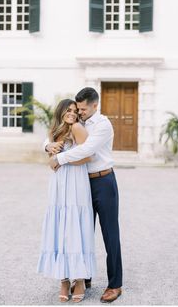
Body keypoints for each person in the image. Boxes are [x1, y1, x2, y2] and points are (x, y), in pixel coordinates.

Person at [46, 87, 123, 303]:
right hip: (81, 183)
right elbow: (54, 133)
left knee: (110, 234)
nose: (80, 112)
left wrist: (58, 159)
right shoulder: (77, 121)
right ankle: (83, 276)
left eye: (83, 109)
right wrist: (48, 147)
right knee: (80, 232)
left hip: (103, 181)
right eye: (78, 109)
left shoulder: (102, 124)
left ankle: (115, 284)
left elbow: (86, 150)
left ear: (94, 105)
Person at [37, 99, 96, 303]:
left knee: (74, 227)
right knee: (60, 227)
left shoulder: (77, 128)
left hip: (76, 182)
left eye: (74, 110)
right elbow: (46, 144)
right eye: (68, 110)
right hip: (58, 184)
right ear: (61, 112)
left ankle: (79, 279)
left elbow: (89, 156)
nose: (72, 113)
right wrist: (49, 148)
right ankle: (63, 279)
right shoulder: (56, 132)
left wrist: (61, 160)